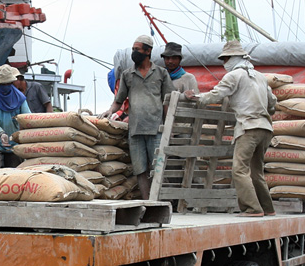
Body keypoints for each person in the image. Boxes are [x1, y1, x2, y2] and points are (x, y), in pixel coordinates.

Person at [185, 41, 277, 217]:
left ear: (234, 58)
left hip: (248, 128)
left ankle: (252, 209)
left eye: (226, 58)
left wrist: (197, 98)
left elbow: (217, 94)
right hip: (265, 128)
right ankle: (267, 208)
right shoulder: (259, 77)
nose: (224, 63)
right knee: (257, 171)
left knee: (239, 169)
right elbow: (272, 103)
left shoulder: (234, 76)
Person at [106, 35, 173, 199]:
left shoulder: (161, 74)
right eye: (133, 50)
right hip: (135, 130)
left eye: (137, 50)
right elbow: (118, 100)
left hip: (155, 129)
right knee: (140, 169)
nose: (134, 53)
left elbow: (167, 102)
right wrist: (108, 112)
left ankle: (162, 201)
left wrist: (168, 127)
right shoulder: (128, 75)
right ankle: (147, 201)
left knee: (157, 168)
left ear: (148, 51)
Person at [0, 64, 31, 168]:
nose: (5, 86)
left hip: (14, 144)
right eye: (2, 84)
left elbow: (27, 117)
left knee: (14, 176)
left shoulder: (20, 98)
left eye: (8, 83)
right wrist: (1, 134)